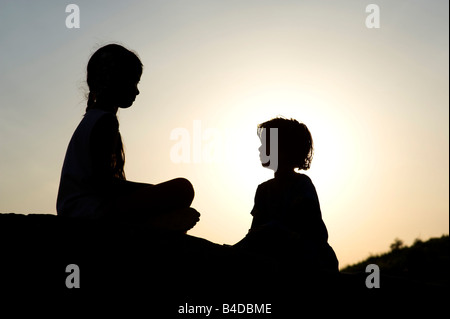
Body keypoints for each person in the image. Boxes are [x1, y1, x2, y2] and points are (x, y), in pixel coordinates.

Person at [57, 44, 199, 232]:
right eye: (133, 82)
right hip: (90, 212)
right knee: (183, 189)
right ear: (115, 82)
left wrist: (149, 193)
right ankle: (152, 225)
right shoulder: (104, 121)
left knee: (174, 193)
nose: (137, 91)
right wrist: (150, 192)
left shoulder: (94, 119)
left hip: (82, 209)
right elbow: (104, 185)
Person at [234, 117, 339, 273]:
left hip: (311, 260)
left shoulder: (302, 184)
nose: (260, 149)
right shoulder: (263, 190)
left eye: (266, 144)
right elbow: (255, 233)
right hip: (276, 258)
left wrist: (272, 230)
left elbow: (309, 233)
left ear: (283, 149)